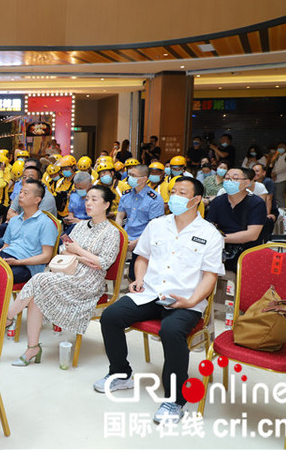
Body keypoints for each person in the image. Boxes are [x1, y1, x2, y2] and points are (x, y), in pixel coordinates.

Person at [95, 177, 225, 424]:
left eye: (182, 192)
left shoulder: (209, 234)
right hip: (151, 293)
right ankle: (120, 373)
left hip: (186, 298)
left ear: (196, 200)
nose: (174, 196)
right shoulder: (157, 225)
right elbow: (142, 257)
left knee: (172, 330)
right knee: (111, 316)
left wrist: (191, 301)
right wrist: (139, 279)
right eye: (173, 191)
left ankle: (175, 399)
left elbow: (210, 277)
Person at [6, 185, 120, 365]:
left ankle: (8, 317)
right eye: (87, 199)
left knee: (39, 279)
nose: (88, 203)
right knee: (37, 295)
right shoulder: (80, 226)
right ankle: (32, 348)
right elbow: (62, 250)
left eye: (94, 199)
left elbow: (103, 263)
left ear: (106, 204)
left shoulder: (112, 232)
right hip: (69, 273)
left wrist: (78, 252)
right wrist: (83, 257)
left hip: (89, 282)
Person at [0, 179, 58, 284]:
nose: (20, 195)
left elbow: (46, 256)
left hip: (27, 266)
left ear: (37, 200)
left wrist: (17, 262)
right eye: (20, 192)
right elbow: (5, 247)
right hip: (6, 257)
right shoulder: (14, 220)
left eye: (25, 193)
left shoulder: (46, 223)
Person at [206, 167, 266, 271]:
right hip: (220, 249)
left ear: (247, 183)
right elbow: (210, 227)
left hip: (247, 251)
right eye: (227, 178)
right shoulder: (218, 201)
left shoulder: (257, 203)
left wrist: (220, 239)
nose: (229, 181)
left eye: (235, 178)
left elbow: (252, 235)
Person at [115, 165, 165, 280]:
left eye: (133, 176)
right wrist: (119, 234)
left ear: (144, 178)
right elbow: (120, 216)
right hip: (126, 236)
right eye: (129, 174)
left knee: (135, 273)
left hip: (144, 239)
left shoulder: (154, 199)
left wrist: (137, 242)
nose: (129, 178)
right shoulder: (126, 194)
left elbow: (155, 227)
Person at [270, 141, 286, 210]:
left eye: (282, 146)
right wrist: (273, 174)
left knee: (279, 196)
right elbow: (274, 166)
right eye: (278, 147)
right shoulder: (278, 157)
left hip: (283, 178)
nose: (280, 148)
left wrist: (276, 173)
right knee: (275, 196)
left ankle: (283, 211)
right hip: (275, 179)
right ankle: (277, 210)